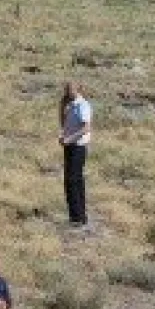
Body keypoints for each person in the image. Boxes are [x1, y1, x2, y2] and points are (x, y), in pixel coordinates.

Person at [59, 82, 92, 226]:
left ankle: (77, 217)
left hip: (78, 146)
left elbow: (86, 128)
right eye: (66, 89)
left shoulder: (82, 105)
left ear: (77, 90)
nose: (67, 92)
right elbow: (64, 123)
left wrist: (69, 139)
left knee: (73, 180)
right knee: (74, 180)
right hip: (70, 145)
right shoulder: (71, 105)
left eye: (69, 89)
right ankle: (78, 216)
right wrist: (61, 106)